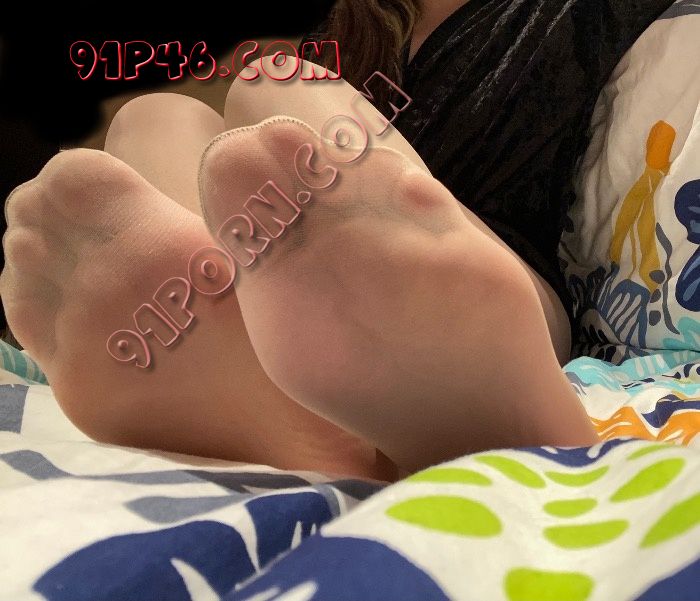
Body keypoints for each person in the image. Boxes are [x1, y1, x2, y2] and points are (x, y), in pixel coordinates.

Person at [0, 0, 671, 482]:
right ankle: (287, 408)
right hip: (307, 316)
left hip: (500, 288)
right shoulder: (352, 30)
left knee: (278, 84)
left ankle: (429, 368)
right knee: (152, 118)